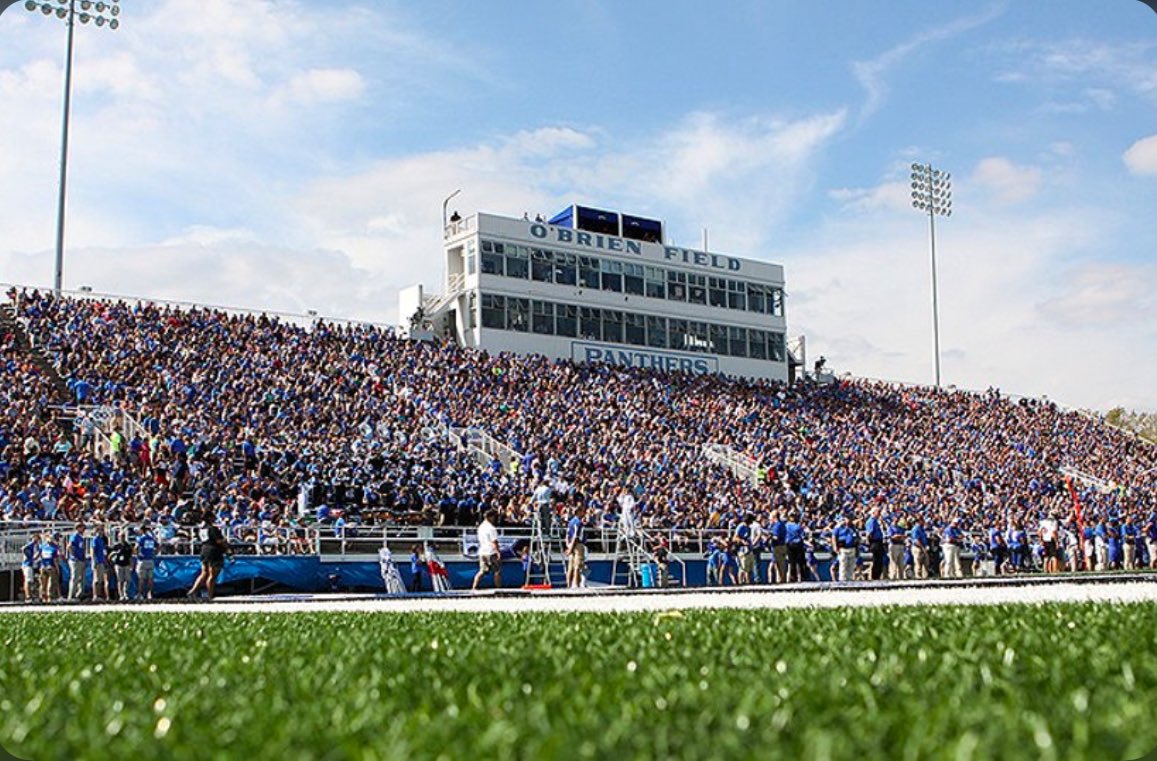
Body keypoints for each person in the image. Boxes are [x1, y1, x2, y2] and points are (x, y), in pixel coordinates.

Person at [188, 510, 230, 600]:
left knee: (204, 573)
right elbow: (219, 541)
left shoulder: (202, 529)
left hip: (204, 550)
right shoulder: (212, 528)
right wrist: (227, 548)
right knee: (212, 575)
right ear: (210, 518)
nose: (215, 518)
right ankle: (210, 596)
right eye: (213, 516)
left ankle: (192, 591)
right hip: (213, 551)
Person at [472, 509, 502, 591]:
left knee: (482, 571)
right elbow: (494, 541)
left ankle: (474, 587)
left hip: (482, 551)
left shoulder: (480, 527)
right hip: (491, 552)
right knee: (497, 571)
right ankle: (499, 589)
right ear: (490, 517)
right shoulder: (491, 528)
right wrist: (498, 552)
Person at [565, 505, 587, 589]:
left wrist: (568, 545)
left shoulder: (570, 522)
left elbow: (567, 535)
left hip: (571, 543)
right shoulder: (578, 522)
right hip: (578, 545)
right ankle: (576, 585)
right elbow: (575, 536)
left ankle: (568, 585)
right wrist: (571, 548)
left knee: (570, 566)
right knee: (578, 566)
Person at [136, 524, 159, 601]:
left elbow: (136, 547)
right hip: (150, 559)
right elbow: (158, 546)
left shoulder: (142, 538)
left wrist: (138, 554)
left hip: (143, 560)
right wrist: (155, 553)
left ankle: (140, 594)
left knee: (141, 578)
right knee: (150, 578)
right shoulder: (151, 538)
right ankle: (149, 593)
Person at [109, 530, 134, 601]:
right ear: (118, 537)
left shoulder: (128, 546)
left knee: (128, 580)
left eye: (123, 536)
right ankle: (121, 595)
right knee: (120, 580)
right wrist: (115, 554)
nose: (122, 538)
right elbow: (110, 555)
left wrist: (131, 565)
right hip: (118, 564)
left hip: (126, 564)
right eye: (120, 536)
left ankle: (125, 592)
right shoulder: (116, 546)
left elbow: (130, 556)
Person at [832, 515, 858, 583]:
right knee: (843, 566)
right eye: (848, 519)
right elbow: (834, 536)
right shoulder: (839, 527)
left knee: (851, 566)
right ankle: (842, 581)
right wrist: (835, 547)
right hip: (843, 548)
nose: (849, 520)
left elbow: (856, 536)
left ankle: (849, 581)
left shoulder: (853, 528)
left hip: (852, 548)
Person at [66, 523, 88, 601]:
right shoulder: (75, 536)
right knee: (74, 578)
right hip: (76, 560)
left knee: (81, 578)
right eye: (83, 528)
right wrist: (74, 556)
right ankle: (71, 595)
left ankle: (79, 594)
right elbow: (69, 546)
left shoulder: (81, 537)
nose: (84, 530)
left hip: (81, 559)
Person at [39, 532, 62, 602]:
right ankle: (50, 596)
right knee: (51, 582)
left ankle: (42, 596)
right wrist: (58, 569)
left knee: (43, 583)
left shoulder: (42, 546)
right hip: (51, 566)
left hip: (43, 566)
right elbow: (55, 560)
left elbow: (40, 555)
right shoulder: (54, 548)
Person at [865, 507, 886, 581]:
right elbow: (869, 533)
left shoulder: (876, 521)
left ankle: (877, 576)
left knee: (879, 561)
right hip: (875, 542)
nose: (879, 513)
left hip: (879, 542)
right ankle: (874, 577)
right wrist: (870, 543)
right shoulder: (871, 521)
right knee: (876, 560)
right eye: (878, 512)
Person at [784, 514, 806, 583]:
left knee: (791, 563)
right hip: (796, 544)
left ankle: (789, 578)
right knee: (797, 563)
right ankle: (798, 578)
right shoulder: (798, 526)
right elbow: (802, 536)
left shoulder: (786, 526)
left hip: (790, 544)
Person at [91, 525, 110, 602]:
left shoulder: (101, 540)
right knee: (96, 579)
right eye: (100, 530)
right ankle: (95, 595)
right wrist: (94, 560)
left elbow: (103, 552)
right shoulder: (95, 539)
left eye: (102, 530)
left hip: (101, 561)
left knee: (100, 579)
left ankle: (99, 595)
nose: (101, 531)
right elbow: (93, 550)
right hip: (97, 561)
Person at [21, 532, 41, 602]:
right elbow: (23, 548)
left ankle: (30, 596)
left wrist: (34, 556)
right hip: (27, 565)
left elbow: (35, 557)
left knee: (31, 581)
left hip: (30, 564)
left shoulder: (35, 546)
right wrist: (28, 556)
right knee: (28, 581)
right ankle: (28, 597)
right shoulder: (31, 544)